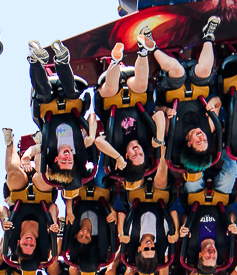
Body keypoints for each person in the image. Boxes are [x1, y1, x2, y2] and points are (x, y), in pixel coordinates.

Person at [27, 39, 123, 190]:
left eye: (62, 162)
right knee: (71, 93)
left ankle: (35, 59)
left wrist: (27, 156)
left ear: (56, 159)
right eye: (70, 162)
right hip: (70, 105)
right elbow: (91, 117)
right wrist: (91, 136)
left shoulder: (50, 150)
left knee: (43, 94)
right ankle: (61, 59)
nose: (67, 158)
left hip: (48, 108)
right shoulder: (82, 146)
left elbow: (34, 150)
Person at [95, 32, 163, 183]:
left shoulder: (115, 146)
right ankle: (143, 51)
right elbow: (159, 116)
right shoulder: (147, 141)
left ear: (126, 156)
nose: (137, 150)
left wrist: (117, 157)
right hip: (133, 95)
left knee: (111, 89)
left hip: (111, 97)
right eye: (141, 154)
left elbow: (98, 142)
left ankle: (116, 60)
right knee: (142, 85)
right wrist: (159, 138)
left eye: (134, 155)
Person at [161, 16, 223, 174]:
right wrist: (212, 104)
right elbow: (218, 102)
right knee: (205, 70)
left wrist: (166, 111)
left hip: (174, 89)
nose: (203, 137)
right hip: (197, 87)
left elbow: (157, 110)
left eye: (199, 141)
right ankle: (208, 35)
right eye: (205, 141)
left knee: (177, 71)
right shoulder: (209, 128)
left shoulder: (173, 133)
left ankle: (151, 47)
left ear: (189, 144)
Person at [0, 128, 60, 273]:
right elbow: (53, 208)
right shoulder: (44, 238)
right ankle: (39, 146)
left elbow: (1, 208)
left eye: (25, 244)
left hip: (19, 195)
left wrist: (4, 220)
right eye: (32, 245)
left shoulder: (12, 235)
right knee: (43, 178)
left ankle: (10, 142)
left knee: (13, 174)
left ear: (18, 243)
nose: (29, 241)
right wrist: (54, 222)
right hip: (41, 196)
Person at [117, 145, 179, 275]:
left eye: (146, 249)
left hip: (137, 197)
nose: (150, 245)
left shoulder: (130, 237)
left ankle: (139, 148)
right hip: (159, 197)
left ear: (139, 249)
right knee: (161, 179)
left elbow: (121, 215)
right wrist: (176, 233)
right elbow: (173, 214)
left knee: (136, 178)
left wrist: (121, 233)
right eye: (152, 249)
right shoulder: (162, 238)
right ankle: (162, 145)